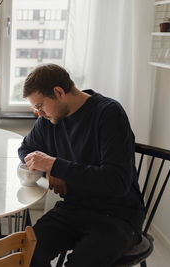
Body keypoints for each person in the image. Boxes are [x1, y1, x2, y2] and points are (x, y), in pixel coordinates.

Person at [18, 63, 145, 267]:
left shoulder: (108, 113)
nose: (38, 113)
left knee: (80, 263)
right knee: (28, 250)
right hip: (74, 207)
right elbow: (25, 150)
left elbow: (117, 181)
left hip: (117, 215)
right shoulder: (49, 120)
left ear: (58, 92)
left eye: (40, 106)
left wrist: (56, 165)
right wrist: (50, 170)